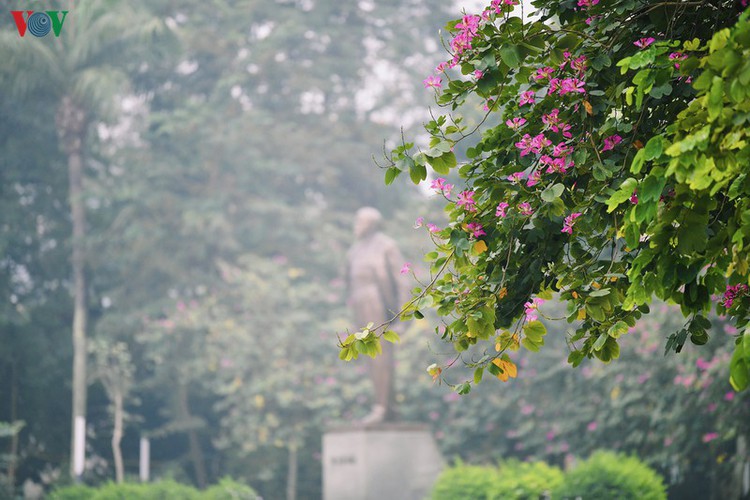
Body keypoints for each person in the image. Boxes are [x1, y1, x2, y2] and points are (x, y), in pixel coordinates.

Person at [345, 207, 409, 424]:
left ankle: (383, 407)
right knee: (371, 357)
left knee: (382, 356)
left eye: (360, 221)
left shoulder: (386, 245)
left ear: (372, 224)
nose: (357, 225)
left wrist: (402, 317)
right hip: (360, 303)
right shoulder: (355, 250)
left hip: (378, 303)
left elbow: (402, 282)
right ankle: (386, 407)